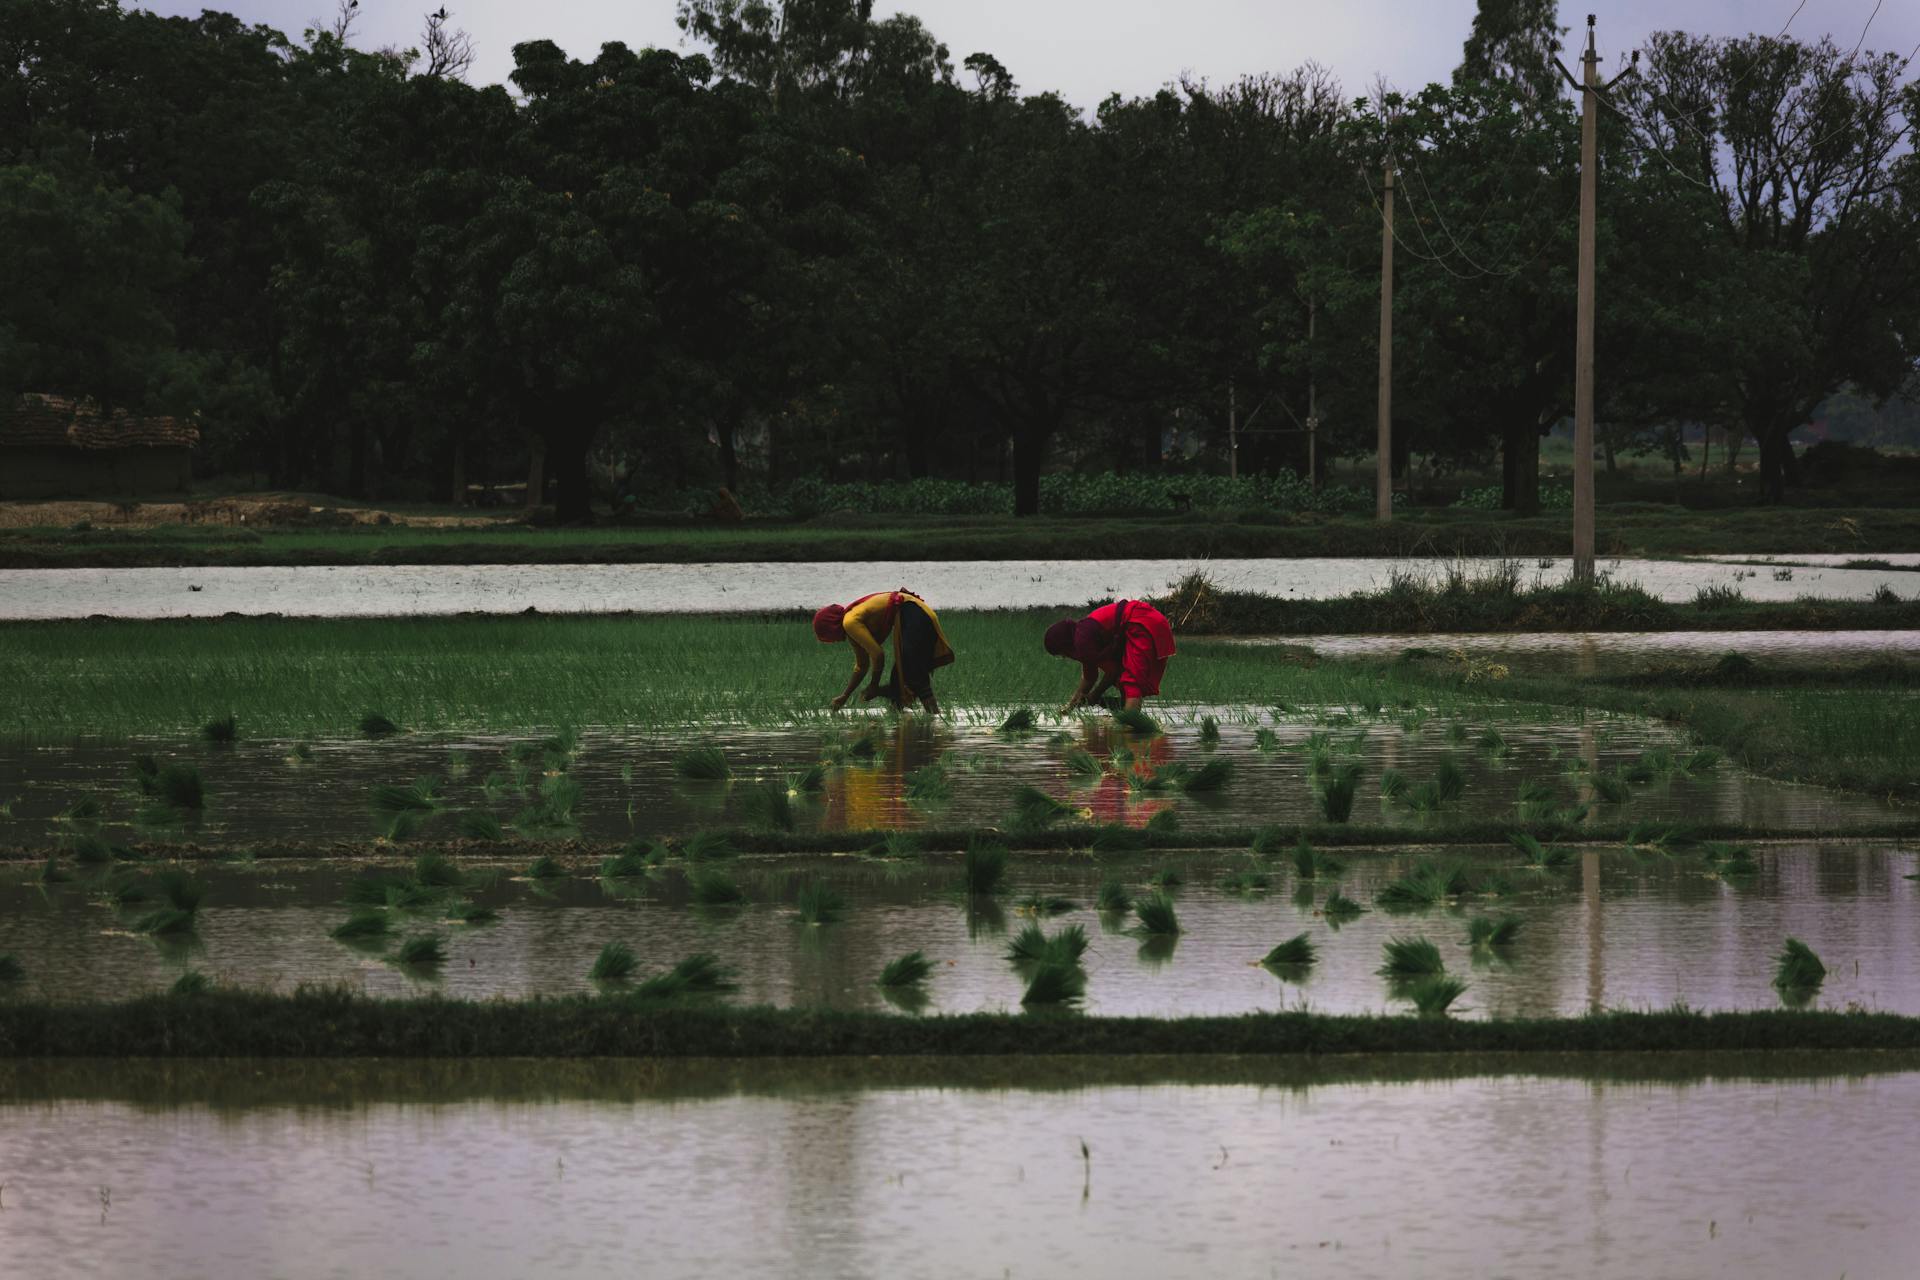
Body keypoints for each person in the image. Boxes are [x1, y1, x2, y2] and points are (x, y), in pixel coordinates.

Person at [812, 588, 953, 714]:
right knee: (898, 679)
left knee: (914, 673)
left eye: (827, 636)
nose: (833, 641)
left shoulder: (849, 622)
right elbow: (862, 666)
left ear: (831, 627)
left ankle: (935, 720)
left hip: (913, 612)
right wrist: (845, 696)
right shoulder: (852, 627)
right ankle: (900, 726)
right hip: (913, 615)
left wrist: (874, 685)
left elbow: (878, 655)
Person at [1045, 598, 1176, 713]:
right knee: (1124, 680)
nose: (1065, 657)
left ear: (1064, 645)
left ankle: (1129, 727)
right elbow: (1089, 678)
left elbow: (1113, 672)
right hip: (1150, 619)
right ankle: (1127, 716)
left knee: (1131, 681)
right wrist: (1069, 708)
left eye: (1062, 653)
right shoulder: (1083, 635)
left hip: (1140, 623)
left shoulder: (1083, 642)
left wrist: (1095, 695)